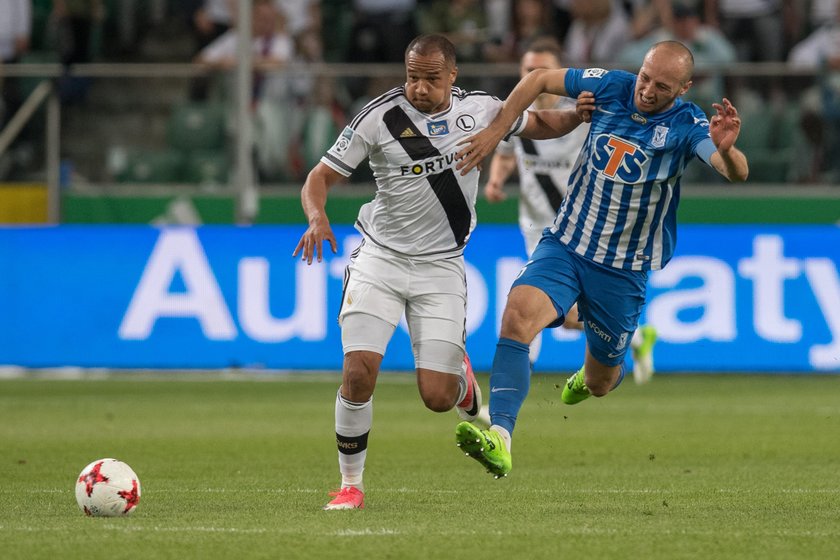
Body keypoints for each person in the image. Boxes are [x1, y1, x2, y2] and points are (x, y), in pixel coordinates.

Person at [293, 34, 587, 509]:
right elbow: (319, 177)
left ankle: (462, 382)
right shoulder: (378, 117)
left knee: (436, 396)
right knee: (359, 372)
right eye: (412, 77)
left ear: (452, 76)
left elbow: (540, 124)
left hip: (441, 267)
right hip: (379, 259)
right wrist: (316, 216)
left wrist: (576, 114)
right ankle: (351, 485)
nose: (420, 88)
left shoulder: (484, 109)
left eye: (431, 78)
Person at [453, 40, 748, 478]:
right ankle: (501, 435)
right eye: (645, 77)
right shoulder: (612, 85)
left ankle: (594, 373)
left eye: (661, 86)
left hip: (623, 270)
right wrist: (498, 130)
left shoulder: (687, 124)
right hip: (566, 244)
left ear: (684, 87)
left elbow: (735, 172)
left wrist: (725, 149)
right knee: (517, 315)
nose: (646, 91)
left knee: (600, 382)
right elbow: (538, 80)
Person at [485, 36, 658, 379]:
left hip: (582, 228)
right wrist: (495, 181)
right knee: (554, 312)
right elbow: (506, 154)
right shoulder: (513, 113)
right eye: (527, 69)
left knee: (536, 307)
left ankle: (509, 386)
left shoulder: (587, 112)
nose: (532, 75)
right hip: (536, 226)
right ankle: (636, 337)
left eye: (541, 70)